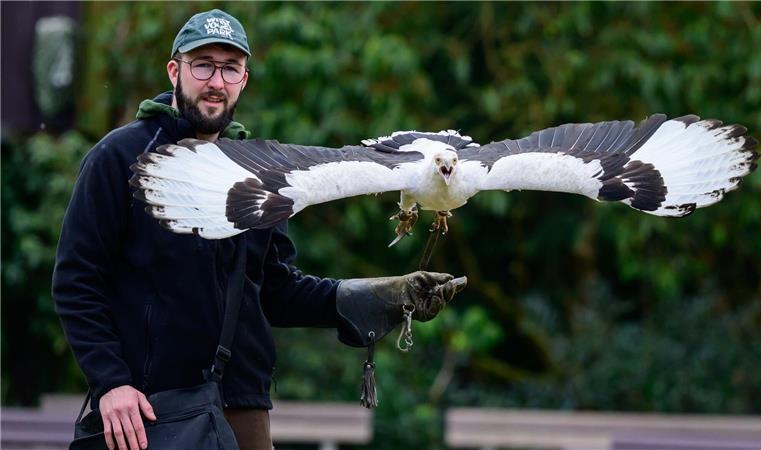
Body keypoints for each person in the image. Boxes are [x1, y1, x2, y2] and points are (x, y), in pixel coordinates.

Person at [52, 9, 463, 450]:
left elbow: (274, 289)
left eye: (230, 68)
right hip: (148, 409)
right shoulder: (118, 158)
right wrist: (110, 383)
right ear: (175, 70)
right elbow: (77, 281)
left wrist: (381, 296)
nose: (216, 81)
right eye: (203, 64)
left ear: (244, 80)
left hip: (241, 406)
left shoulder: (258, 169)